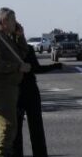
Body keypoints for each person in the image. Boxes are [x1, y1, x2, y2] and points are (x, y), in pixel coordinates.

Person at [0, 7, 32, 156]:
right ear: (4, 21)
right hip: (1, 88)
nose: (15, 23)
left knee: (4, 127)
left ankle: (0, 152)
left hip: (10, 88)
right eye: (13, 20)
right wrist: (18, 67)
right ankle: (2, 153)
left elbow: (21, 53)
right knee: (7, 127)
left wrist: (20, 36)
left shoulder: (6, 38)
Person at [15, 22, 60, 157]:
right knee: (19, 131)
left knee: (35, 128)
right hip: (17, 92)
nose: (20, 34)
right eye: (18, 31)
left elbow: (36, 68)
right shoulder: (9, 50)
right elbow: (36, 69)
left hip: (29, 92)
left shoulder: (27, 48)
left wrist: (55, 66)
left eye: (21, 31)